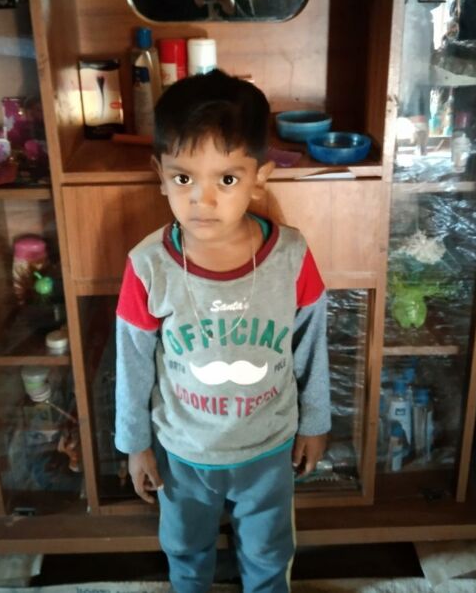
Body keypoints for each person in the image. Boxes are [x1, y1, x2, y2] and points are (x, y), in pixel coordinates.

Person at [115, 70, 331, 593]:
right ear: (160, 175)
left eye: (227, 180)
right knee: (185, 551)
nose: (202, 200)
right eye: (183, 178)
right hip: (182, 451)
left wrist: (316, 422)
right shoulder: (147, 265)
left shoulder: (292, 255)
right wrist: (135, 445)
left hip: (269, 448)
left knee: (268, 555)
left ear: (260, 176)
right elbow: (132, 361)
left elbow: (311, 346)